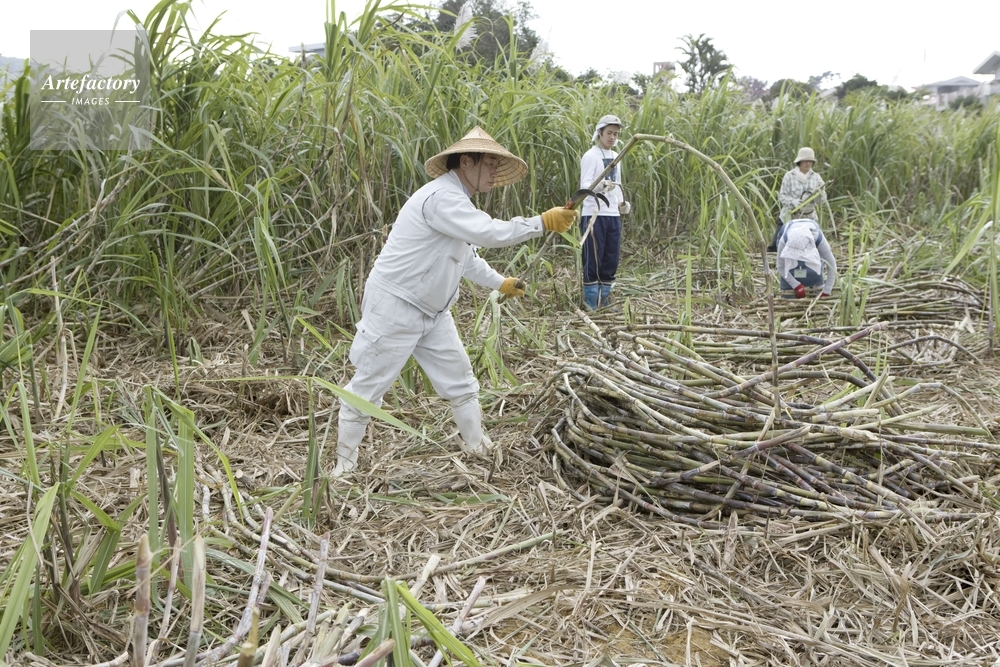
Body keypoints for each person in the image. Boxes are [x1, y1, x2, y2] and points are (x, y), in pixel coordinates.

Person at [332, 126, 579, 476]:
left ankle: (477, 447)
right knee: (367, 388)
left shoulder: (458, 203)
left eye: (496, 165)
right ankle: (344, 467)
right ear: (466, 162)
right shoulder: (441, 198)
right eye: (489, 164)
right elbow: (488, 232)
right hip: (396, 306)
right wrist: (541, 222)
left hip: (434, 312)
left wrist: (501, 283)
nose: (494, 172)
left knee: (461, 382)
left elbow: (467, 259)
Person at [579, 114, 631, 311]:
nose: (612, 137)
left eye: (616, 134)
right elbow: (585, 185)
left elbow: (618, 184)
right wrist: (600, 186)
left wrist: (622, 203)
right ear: (599, 132)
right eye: (609, 133)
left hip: (612, 215)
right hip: (594, 214)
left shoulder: (617, 156)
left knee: (611, 258)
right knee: (593, 258)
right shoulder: (590, 156)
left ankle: (605, 300)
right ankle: (591, 302)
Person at [770, 147, 827, 251]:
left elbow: (821, 201)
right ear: (799, 161)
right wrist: (793, 202)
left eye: (810, 161)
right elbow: (782, 196)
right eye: (805, 161)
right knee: (777, 246)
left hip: (809, 217)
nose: (808, 163)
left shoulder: (816, 177)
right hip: (790, 216)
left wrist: (820, 193)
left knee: (815, 245)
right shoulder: (789, 176)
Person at [776, 218, 837, 299]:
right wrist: (796, 285)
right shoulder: (783, 240)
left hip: (812, 246)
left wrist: (827, 291)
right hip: (789, 267)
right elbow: (781, 267)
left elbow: (832, 264)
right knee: (788, 297)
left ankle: (815, 284)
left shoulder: (819, 239)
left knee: (814, 274)